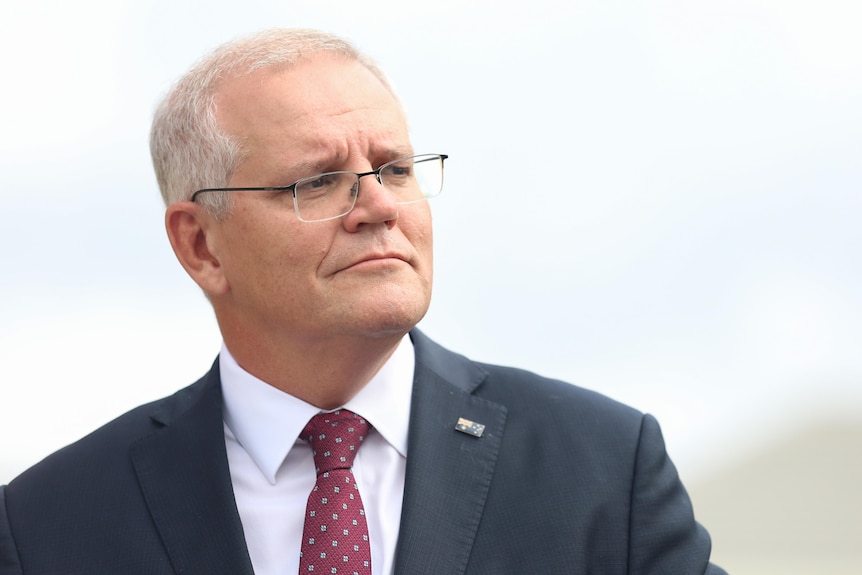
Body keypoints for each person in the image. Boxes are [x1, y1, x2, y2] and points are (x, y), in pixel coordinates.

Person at [0, 28, 726, 575]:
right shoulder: (47, 525)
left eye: (395, 168)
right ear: (201, 245)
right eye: (317, 181)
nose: (377, 204)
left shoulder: (601, 467)